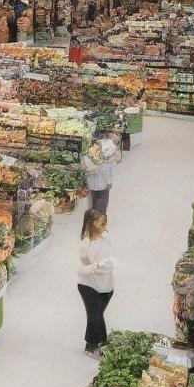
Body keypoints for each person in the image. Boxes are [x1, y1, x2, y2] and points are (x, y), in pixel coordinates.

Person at [77, 209, 115, 356]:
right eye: (100, 221)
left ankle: (99, 342)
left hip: (106, 287)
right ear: (90, 224)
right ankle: (93, 345)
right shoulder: (85, 244)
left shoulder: (106, 241)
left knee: (97, 314)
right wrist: (94, 267)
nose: (104, 223)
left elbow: (108, 265)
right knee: (95, 315)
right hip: (88, 286)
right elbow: (82, 267)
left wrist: (96, 266)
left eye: (104, 220)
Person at [83, 138, 118, 213]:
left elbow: (113, 163)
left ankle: (97, 220)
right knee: (98, 205)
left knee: (97, 204)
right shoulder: (89, 155)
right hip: (98, 184)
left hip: (98, 184)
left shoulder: (106, 153)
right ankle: (97, 220)